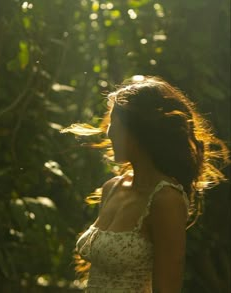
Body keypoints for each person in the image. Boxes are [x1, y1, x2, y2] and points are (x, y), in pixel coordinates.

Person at [73, 76, 229, 292]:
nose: (108, 133)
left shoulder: (166, 200)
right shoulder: (112, 188)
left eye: (114, 124)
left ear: (138, 131)